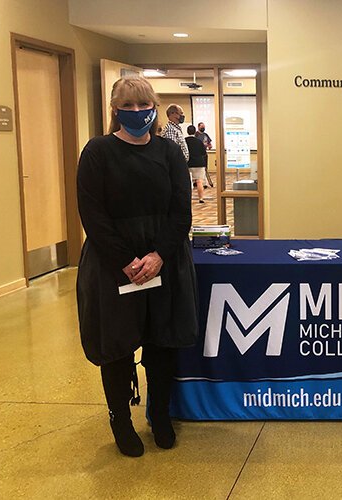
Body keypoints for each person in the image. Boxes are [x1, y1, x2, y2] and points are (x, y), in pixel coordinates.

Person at [76, 76, 198, 457]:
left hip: (165, 259)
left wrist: (159, 255)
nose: (135, 112)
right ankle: (120, 420)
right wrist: (127, 261)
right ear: (115, 109)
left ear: (154, 107)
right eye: (126, 106)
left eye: (142, 105)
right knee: (118, 346)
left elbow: (181, 211)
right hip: (113, 263)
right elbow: (92, 214)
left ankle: (159, 414)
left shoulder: (169, 153)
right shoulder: (97, 152)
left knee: (162, 342)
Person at [185, 124, 207, 203]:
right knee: (199, 181)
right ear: (195, 132)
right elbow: (203, 153)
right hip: (199, 163)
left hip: (188, 163)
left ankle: (188, 198)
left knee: (188, 182)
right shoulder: (199, 141)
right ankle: (201, 198)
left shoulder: (184, 141)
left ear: (187, 132)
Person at [195, 122, 215, 188]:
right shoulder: (196, 135)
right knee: (199, 169)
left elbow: (210, 144)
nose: (203, 128)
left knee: (205, 168)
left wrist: (209, 146)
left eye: (204, 127)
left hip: (204, 154)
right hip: (197, 154)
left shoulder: (206, 135)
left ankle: (205, 182)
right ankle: (199, 182)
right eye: (202, 127)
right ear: (198, 127)